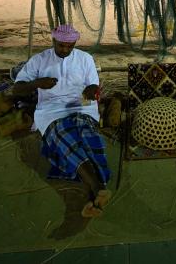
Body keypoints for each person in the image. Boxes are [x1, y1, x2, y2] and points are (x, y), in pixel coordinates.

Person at [12, 24, 111, 218]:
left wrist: (92, 90)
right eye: (60, 46)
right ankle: (98, 187)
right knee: (62, 134)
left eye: (69, 46)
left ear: (74, 43)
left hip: (81, 107)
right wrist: (37, 83)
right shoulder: (39, 60)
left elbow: (93, 84)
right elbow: (17, 89)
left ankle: (97, 193)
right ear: (53, 41)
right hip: (51, 111)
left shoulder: (85, 59)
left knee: (87, 135)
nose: (65, 50)